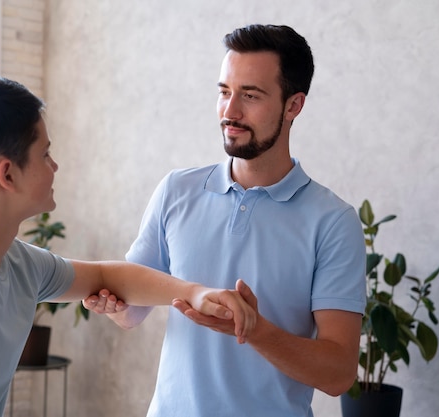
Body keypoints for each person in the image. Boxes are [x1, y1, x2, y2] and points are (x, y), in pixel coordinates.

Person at [0, 77, 254, 417]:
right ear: (7, 174)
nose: (55, 166)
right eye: (45, 153)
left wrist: (195, 293)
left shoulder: (11, 261)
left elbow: (104, 275)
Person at [83, 24, 366, 416]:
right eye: (224, 92)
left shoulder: (333, 222)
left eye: (250, 96)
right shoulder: (175, 190)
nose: (230, 112)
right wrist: (114, 305)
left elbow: (338, 375)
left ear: (293, 106)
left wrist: (258, 331)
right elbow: (133, 313)